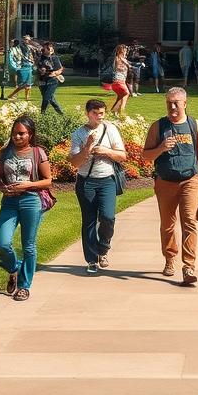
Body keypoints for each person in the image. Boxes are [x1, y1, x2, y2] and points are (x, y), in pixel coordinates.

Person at [143, 88, 198, 286]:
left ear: (185, 104)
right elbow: (145, 156)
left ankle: (189, 266)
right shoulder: (158, 126)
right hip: (165, 181)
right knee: (168, 224)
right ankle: (170, 259)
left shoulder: (194, 125)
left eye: (176, 103)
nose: (172, 106)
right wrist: (161, 148)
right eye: (169, 102)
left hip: (190, 180)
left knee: (189, 221)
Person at [0, 115, 53, 300]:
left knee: (29, 246)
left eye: (21, 134)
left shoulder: (37, 152)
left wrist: (27, 185)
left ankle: (24, 286)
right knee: (2, 243)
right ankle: (14, 269)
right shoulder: (4, 152)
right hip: (9, 202)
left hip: (31, 201)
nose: (17, 137)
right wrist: (2, 188)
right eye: (14, 134)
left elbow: (48, 181)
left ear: (30, 134)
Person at [69, 99, 126, 274]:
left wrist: (106, 152)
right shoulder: (79, 134)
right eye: (95, 113)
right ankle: (92, 259)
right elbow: (75, 163)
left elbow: (122, 156)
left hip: (107, 180)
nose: (99, 117)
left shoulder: (110, 129)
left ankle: (104, 248)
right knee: (89, 220)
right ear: (88, 113)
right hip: (86, 181)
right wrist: (87, 147)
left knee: (108, 217)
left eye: (101, 113)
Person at [37, 41, 65, 115]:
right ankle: (61, 114)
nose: (50, 50)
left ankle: (42, 114)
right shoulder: (41, 58)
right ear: (44, 49)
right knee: (51, 99)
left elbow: (60, 69)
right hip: (42, 81)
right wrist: (42, 71)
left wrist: (55, 73)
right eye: (48, 48)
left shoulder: (55, 58)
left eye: (51, 48)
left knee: (46, 98)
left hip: (52, 81)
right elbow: (40, 69)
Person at [6, 37, 35, 101]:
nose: (26, 40)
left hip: (29, 66)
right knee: (22, 83)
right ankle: (12, 95)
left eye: (28, 39)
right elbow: (15, 52)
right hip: (22, 66)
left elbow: (31, 55)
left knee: (28, 83)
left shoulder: (29, 47)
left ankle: (27, 97)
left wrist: (32, 60)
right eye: (25, 39)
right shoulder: (20, 46)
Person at [109, 43, 130, 117]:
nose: (125, 52)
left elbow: (130, 65)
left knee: (120, 97)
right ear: (120, 51)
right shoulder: (118, 58)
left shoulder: (123, 59)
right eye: (124, 50)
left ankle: (112, 113)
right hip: (119, 81)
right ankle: (121, 113)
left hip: (117, 82)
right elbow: (118, 67)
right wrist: (125, 67)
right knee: (126, 93)